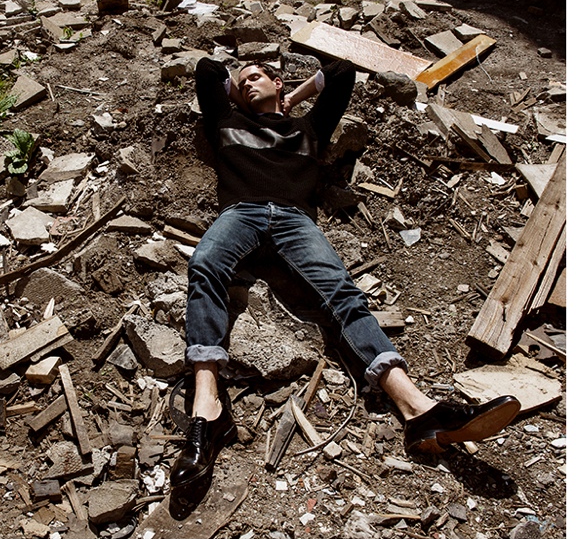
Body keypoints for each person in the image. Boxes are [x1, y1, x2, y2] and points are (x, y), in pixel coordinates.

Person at [169, 55, 520, 493]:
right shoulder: (226, 118)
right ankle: (207, 410)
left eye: (257, 76)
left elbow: (339, 73)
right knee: (205, 264)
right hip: (242, 211)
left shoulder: (308, 128)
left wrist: (292, 96)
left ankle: (417, 410)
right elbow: (206, 69)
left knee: (342, 293)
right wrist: (239, 88)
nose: (248, 83)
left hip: (297, 219)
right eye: (242, 82)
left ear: (279, 83)